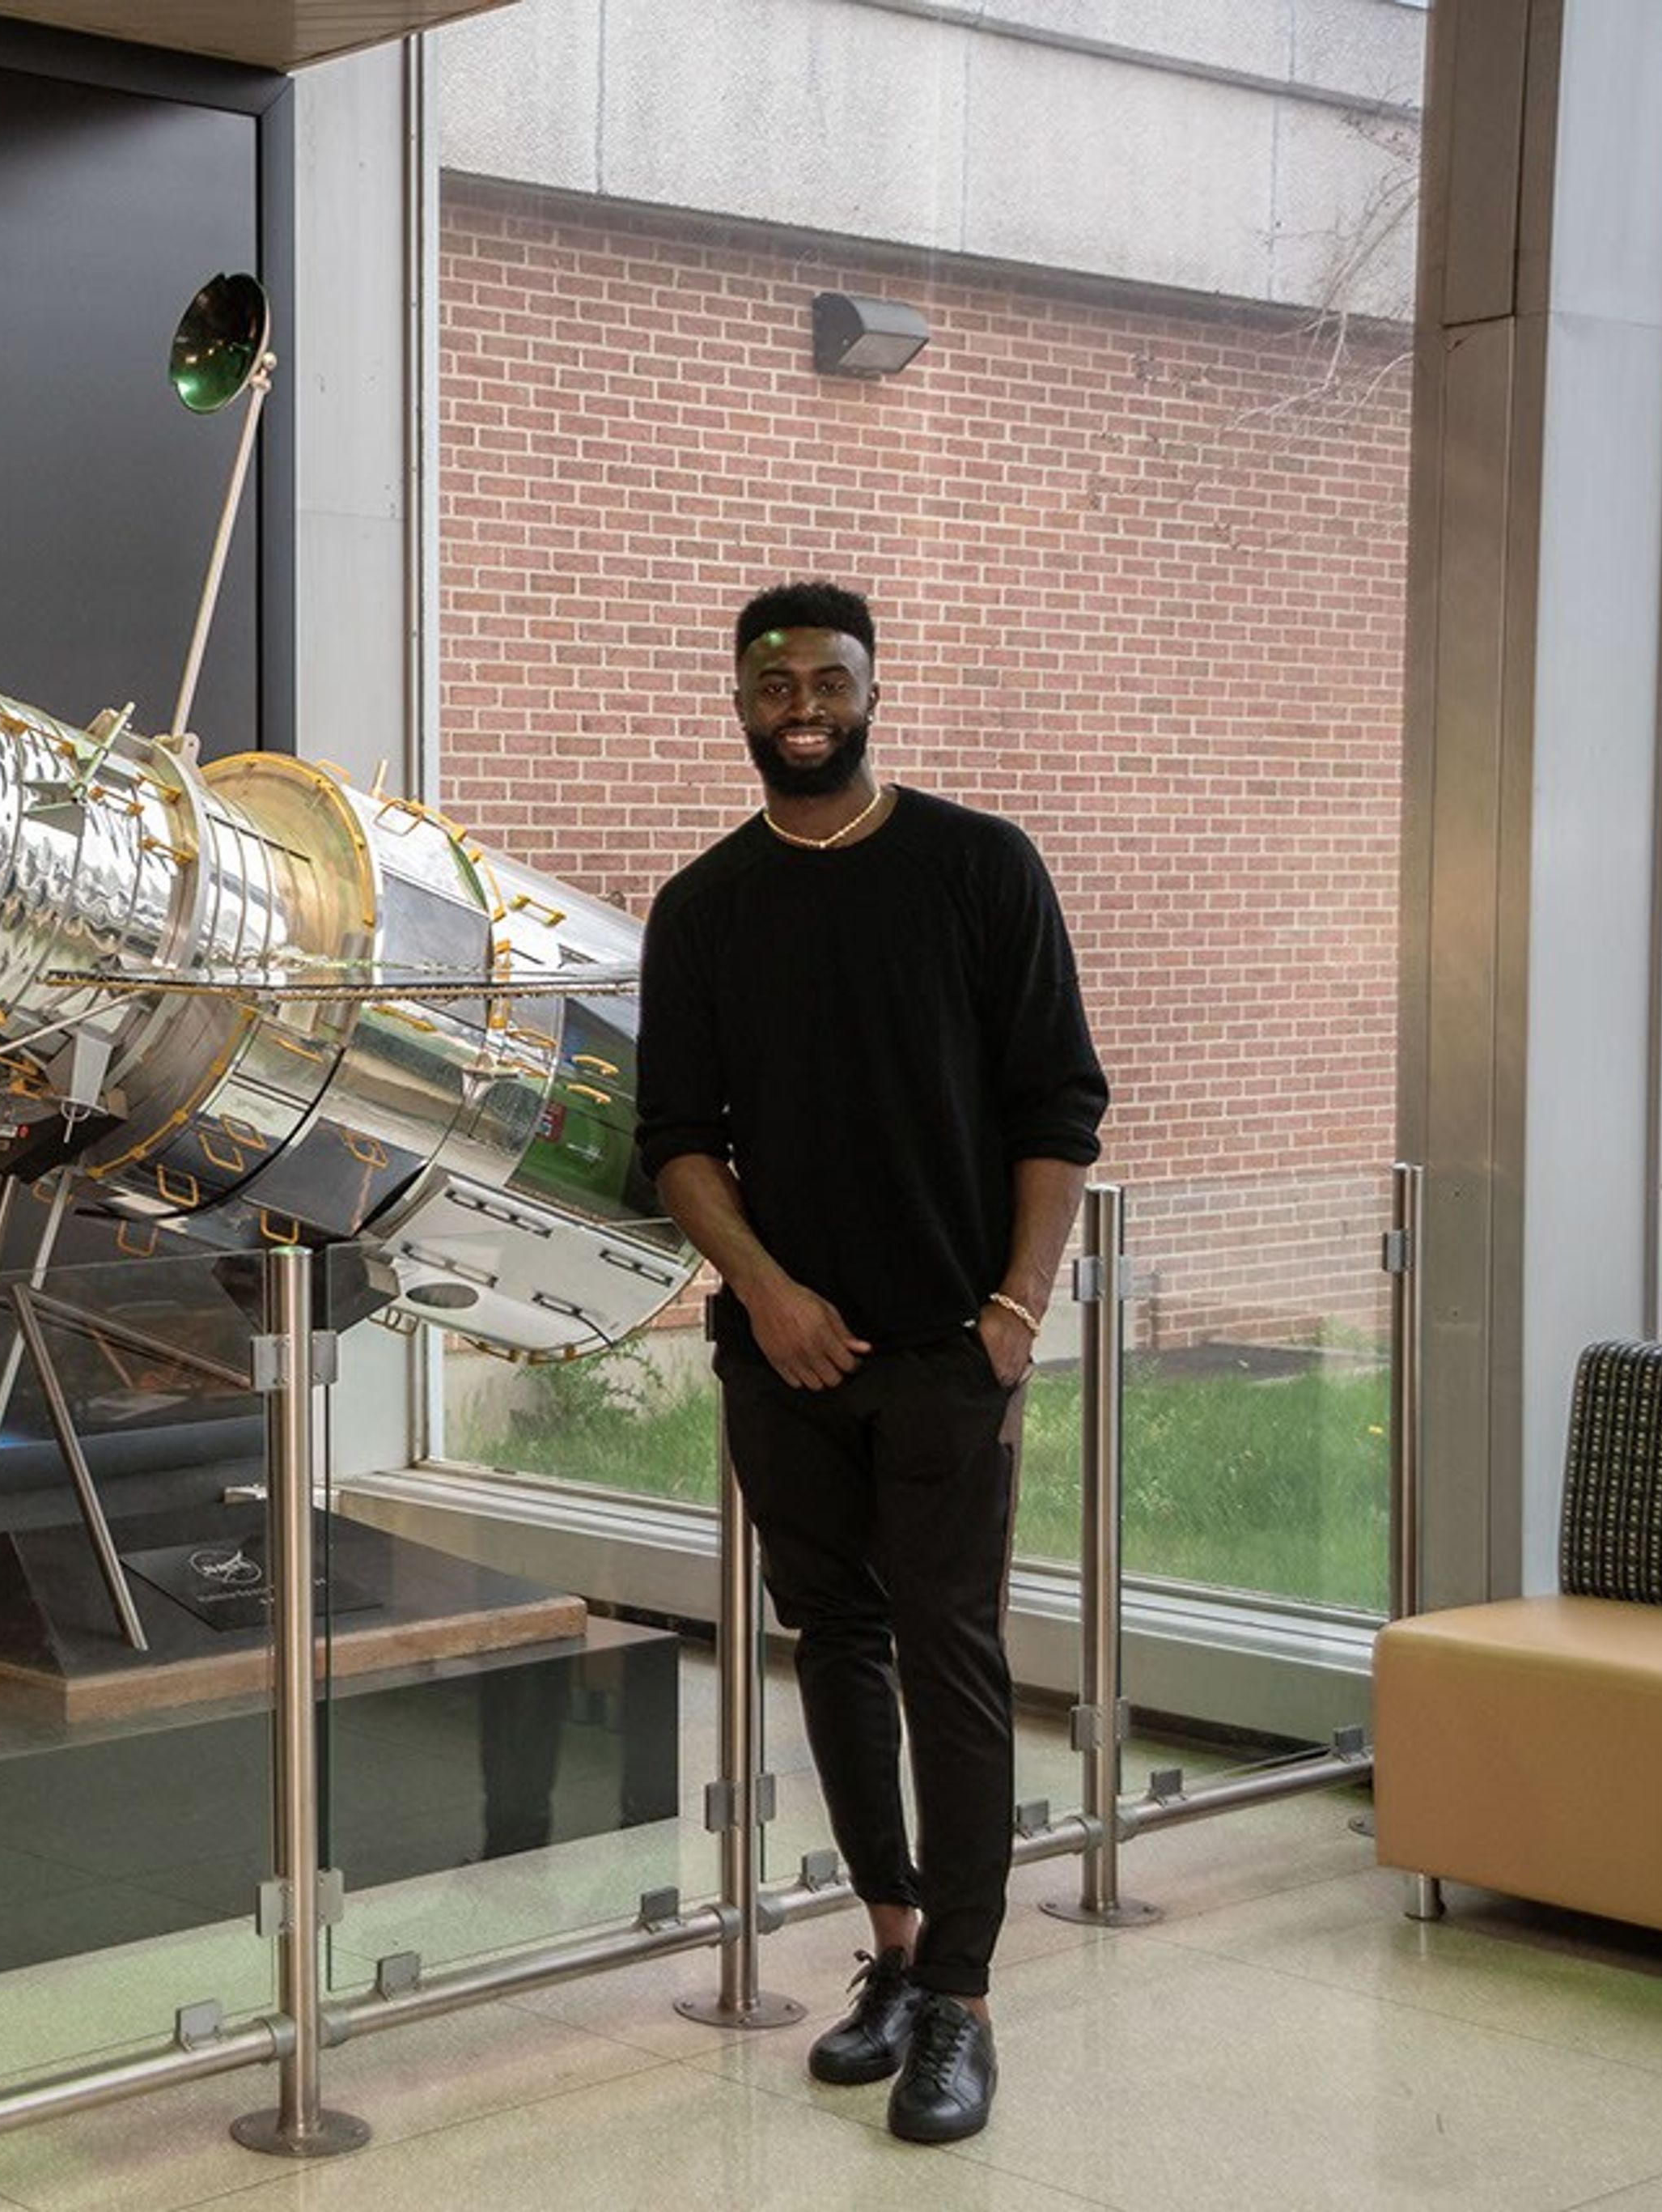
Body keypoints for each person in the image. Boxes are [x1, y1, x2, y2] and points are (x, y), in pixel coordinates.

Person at [632, 580, 1107, 2145]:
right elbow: (676, 1145)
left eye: (828, 677)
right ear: (741, 702)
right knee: (832, 1646)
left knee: (950, 1659)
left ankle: (965, 2004)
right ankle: (894, 1956)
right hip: (789, 1364)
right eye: (773, 681)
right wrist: (763, 1292)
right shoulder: (703, 909)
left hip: (949, 1357)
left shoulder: (981, 867)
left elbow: (1058, 1111)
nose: (802, 703)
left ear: (871, 689)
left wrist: (1014, 1316)